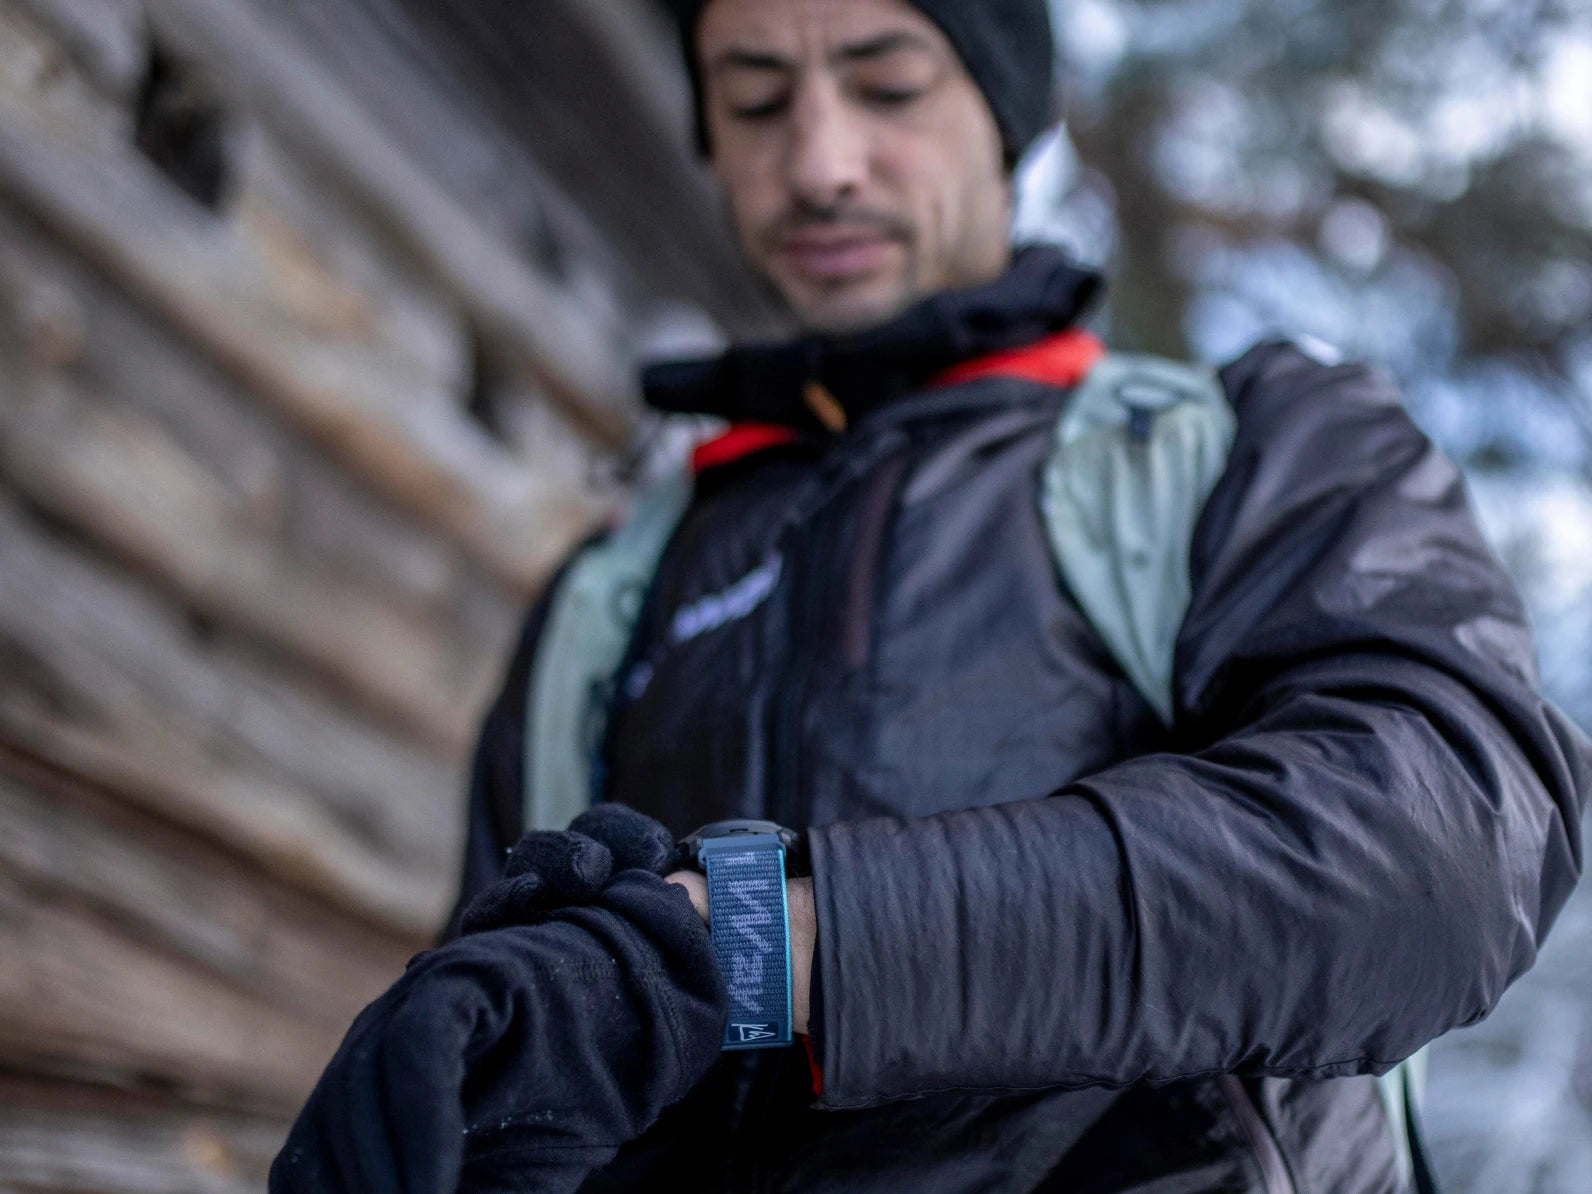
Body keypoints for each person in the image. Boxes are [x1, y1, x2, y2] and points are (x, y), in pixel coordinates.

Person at [275, 0, 1589, 1191]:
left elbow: (1444, 843)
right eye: (754, 100)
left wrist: (745, 944)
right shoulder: (609, 592)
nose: (822, 161)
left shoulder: (1247, 451)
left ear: (1007, 115)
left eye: (888, 85)